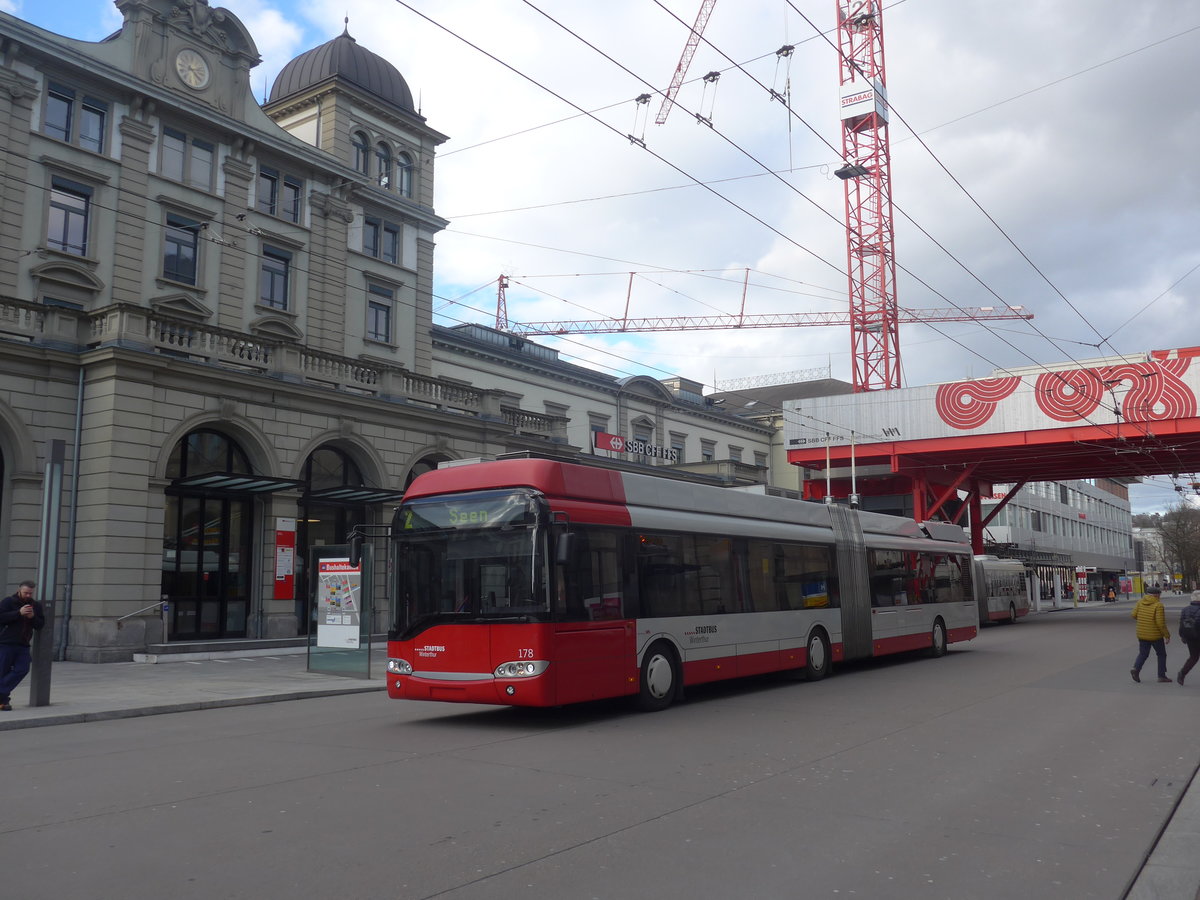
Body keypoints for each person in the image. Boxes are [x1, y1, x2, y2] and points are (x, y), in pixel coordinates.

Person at [0, 580, 45, 711]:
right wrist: (18, 613)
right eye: (26, 593)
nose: (28, 596)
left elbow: (40, 625)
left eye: (30, 593)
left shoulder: (35, 606)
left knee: (22, 669)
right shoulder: (8, 602)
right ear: (19, 590)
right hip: (5, 643)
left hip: (23, 644)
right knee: (3, 672)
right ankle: (4, 701)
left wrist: (32, 617)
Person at [1130, 585, 1171, 684]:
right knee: (1161, 654)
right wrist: (1167, 635)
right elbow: (1160, 623)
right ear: (1156, 595)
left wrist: (1143, 621)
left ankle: (1136, 669)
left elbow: (1133, 615)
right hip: (1155, 635)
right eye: (1159, 594)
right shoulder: (1158, 605)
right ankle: (1161, 676)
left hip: (1142, 633)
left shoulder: (1140, 602)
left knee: (1143, 653)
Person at [1176, 590, 1200, 685]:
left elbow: (1182, 624)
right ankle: (1182, 673)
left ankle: (1182, 673)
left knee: (1193, 657)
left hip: (1190, 637)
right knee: (1194, 657)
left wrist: (1182, 635)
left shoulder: (1185, 610)